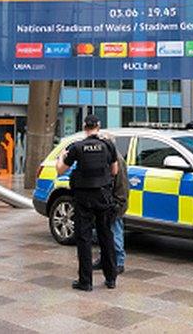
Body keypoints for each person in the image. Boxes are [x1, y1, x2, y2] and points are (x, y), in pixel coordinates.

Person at [56, 114, 118, 291]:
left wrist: (61, 156)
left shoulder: (77, 147)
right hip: (103, 196)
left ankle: (86, 282)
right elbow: (114, 171)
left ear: (85, 128)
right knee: (106, 236)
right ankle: (111, 278)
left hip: (83, 197)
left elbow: (60, 170)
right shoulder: (108, 145)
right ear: (98, 126)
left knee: (84, 239)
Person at [93, 132, 129, 274]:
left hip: (114, 203)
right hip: (104, 202)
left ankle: (119, 262)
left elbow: (122, 184)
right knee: (104, 233)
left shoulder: (117, 160)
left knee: (115, 232)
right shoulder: (106, 158)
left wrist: (118, 203)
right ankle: (104, 259)